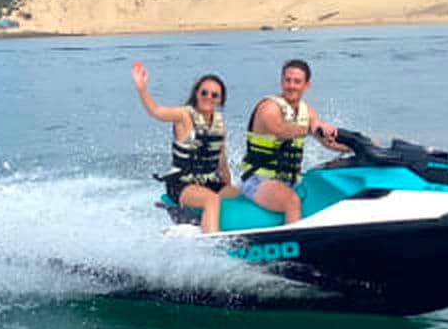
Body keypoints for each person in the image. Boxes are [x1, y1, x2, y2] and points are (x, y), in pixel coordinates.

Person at [131, 61, 237, 233]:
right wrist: (142, 89)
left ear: (220, 100)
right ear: (196, 94)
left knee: (241, 196)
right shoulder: (184, 116)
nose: (208, 97)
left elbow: (222, 165)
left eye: (214, 95)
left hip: (210, 182)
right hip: (182, 185)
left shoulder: (219, 125)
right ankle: (212, 244)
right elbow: (156, 111)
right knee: (212, 200)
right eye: (204, 92)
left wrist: (228, 187)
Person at [239, 59, 346, 223]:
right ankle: (298, 245)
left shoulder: (307, 111)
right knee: (291, 202)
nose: (291, 85)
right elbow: (280, 129)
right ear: (282, 81)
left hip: (290, 180)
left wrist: (355, 146)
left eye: (297, 81)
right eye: (287, 80)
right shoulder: (268, 107)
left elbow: (327, 141)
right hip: (258, 181)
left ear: (306, 85)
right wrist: (312, 130)